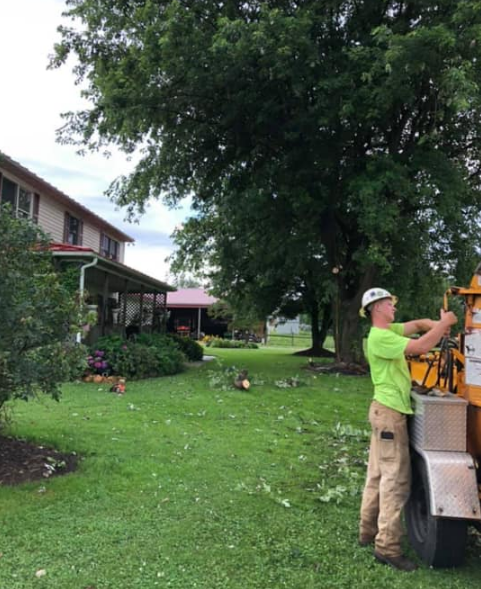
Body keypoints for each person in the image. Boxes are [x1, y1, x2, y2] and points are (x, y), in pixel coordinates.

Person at [358, 287, 457, 572]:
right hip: (390, 415)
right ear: (377, 308)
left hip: (382, 411)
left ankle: (366, 532)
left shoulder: (387, 331)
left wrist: (435, 323)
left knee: (376, 475)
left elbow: (415, 327)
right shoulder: (381, 338)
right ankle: (387, 548)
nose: (394, 308)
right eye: (390, 304)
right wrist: (445, 325)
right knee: (396, 481)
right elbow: (419, 347)